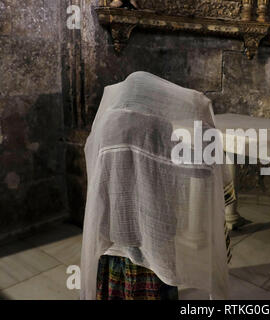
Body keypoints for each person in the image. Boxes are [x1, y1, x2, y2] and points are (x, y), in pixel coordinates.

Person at [80, 72, 233, 300]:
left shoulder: (105, 124)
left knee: (117, 285)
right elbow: (200, 168)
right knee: (154, 278)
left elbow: (97, 177)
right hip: (153, 231)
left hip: (114, 229)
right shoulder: (155, 124)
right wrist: (203, 123)